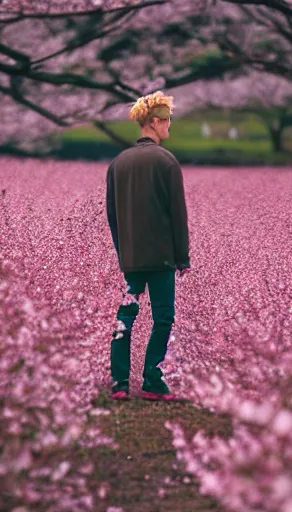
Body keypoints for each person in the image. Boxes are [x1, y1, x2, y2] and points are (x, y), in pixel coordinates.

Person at [106, 91, 191, 402]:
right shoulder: (166, 161)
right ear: (154, 122)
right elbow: (177, 214)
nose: (169, 126)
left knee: (125, 316)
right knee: (163, 317)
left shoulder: (118, 163)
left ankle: (119, 382)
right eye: (167, 121)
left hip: (130, 256)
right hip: (162, 256)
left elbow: (112, 215)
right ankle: (153, 380)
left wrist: (122, 251)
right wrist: (182, 256)